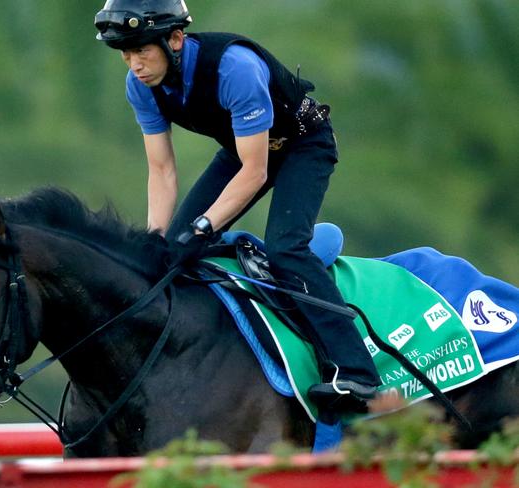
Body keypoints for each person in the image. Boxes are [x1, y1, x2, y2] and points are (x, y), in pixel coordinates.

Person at [94, 0, 381, 412]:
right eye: (125, 54)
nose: (134, 64)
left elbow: (255, 172)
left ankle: (358, 374)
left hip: (302, 146)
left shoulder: (235, 68)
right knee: (171, 254)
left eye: (142, 50)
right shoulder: (139, 86)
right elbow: (161, 172)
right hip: (241, 149)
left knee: (285, 249)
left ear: (175, 39)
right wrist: (156, 237)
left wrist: (205, 225)